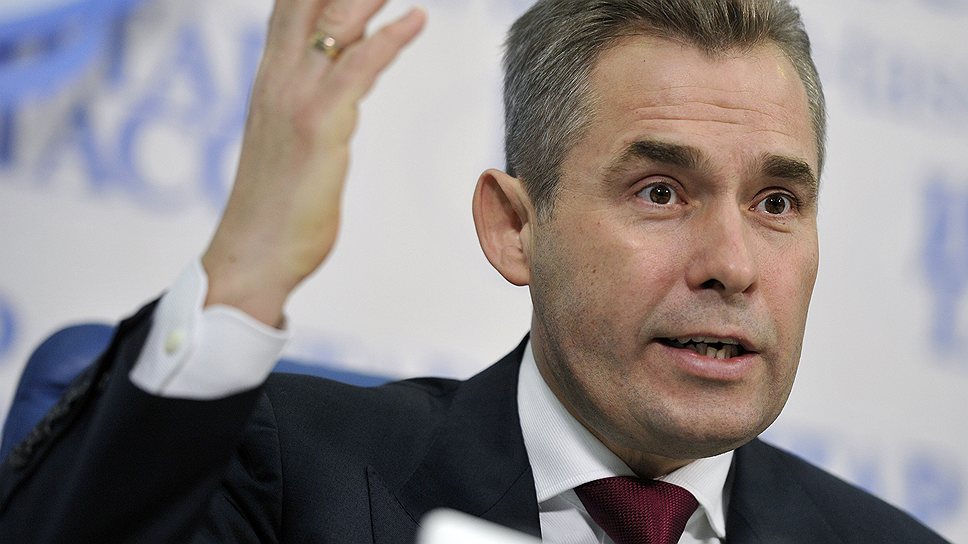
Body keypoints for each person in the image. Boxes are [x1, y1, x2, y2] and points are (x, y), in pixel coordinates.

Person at [0, 0, 949, 542]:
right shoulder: (282, 471)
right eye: (661, 192)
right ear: (514, 227)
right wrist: (245, 269)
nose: (732, 265)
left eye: (777, 203)